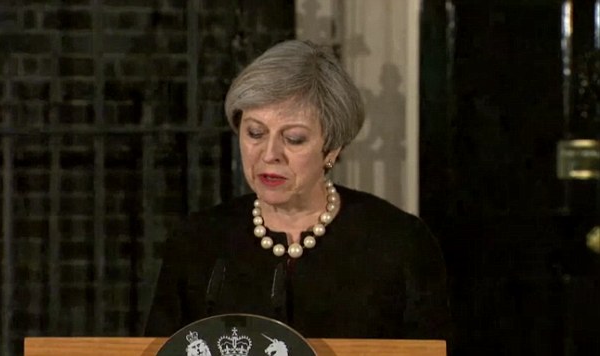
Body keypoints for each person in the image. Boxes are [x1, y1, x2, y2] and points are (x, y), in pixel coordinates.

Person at [145, 39, 452, 343]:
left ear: (332, 148)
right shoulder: (195, 242)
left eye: (293, 138)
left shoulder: (400, 244)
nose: (269, 154)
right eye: (255, 133)